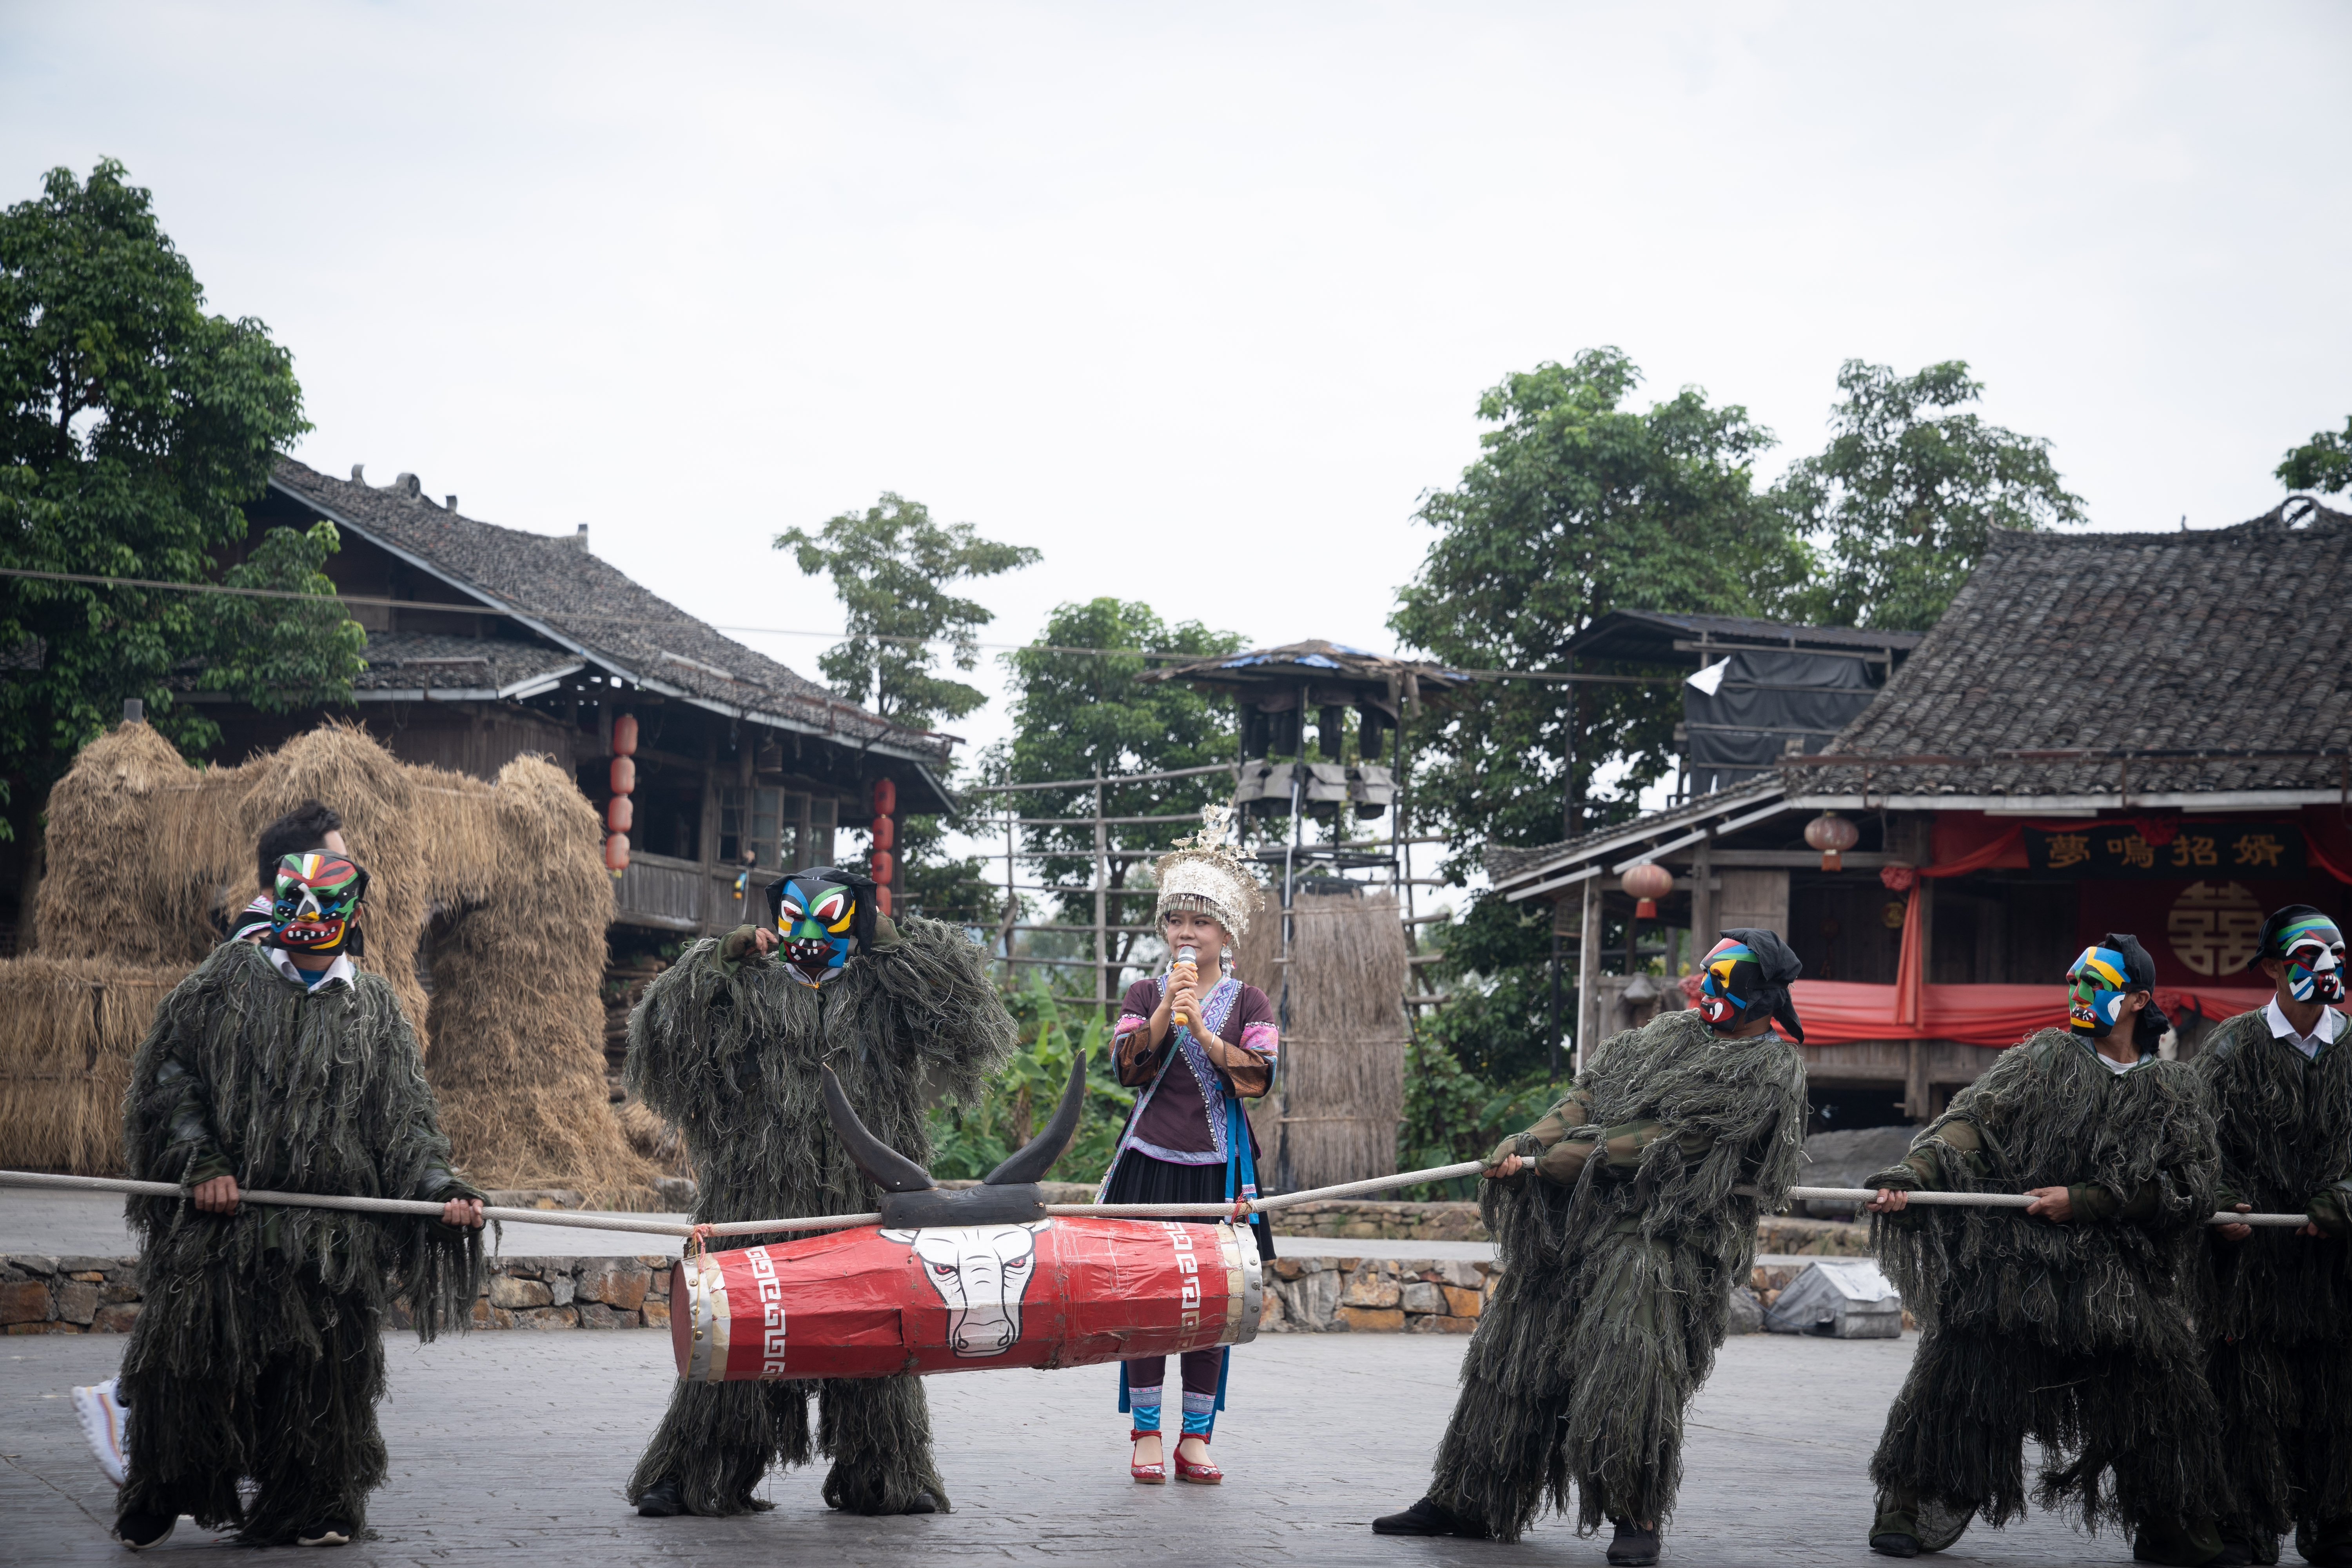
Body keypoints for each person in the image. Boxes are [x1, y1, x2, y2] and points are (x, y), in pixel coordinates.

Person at [1373, 928, 1810, 1566]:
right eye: (1706, 973)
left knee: (1630, 1369)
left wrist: (1558, 1159)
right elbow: (1590, 1095)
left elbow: (1672, 1138)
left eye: (1722, 977)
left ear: (1758, 992)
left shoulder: (1770, 1070)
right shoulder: (1665, 1035)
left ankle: (1636, 1515)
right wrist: (1529, 1140)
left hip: (1664, 1238)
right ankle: (1468, 1498)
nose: (1704, 987)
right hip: (1578, 1226)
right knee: (1512, 1357)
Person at [112, 838, 486, 1550]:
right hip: (227, 1222)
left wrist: (441, 1188)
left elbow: (405, 1122)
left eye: (325, 904)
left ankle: (314, 1503)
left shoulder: (376, 1010)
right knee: (185, 1354)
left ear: (352, 914)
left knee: (324, 1378)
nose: (309, 915)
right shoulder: (224, 984)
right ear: (278, 902)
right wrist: (202, 1162)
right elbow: (169, 1076)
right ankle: (162, 1485)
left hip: (331, 1238)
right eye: (297, 900)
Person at [624, 863, 1017, 1519]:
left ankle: (884, 1473)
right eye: (795, 917)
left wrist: (893, 946)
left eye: (830, 917)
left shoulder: (884, 990)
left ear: (856, 918)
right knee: (737, 1329)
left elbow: (971, 1023)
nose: (809, 933)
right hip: (755, 1195)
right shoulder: (745, 987)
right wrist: (720, 957)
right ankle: (695, 1471)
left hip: (865, 1198)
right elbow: (658, 1039)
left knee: (878, 1329)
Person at [1862, 934, 2228, 1565]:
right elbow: (1972, 1124)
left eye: (2095, 984)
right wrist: (1913, 1176)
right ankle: (1910, 1507)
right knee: (1957, 1383)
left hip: (2120, 1279)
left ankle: (2173, 1523)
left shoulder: (2175, 1087)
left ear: (2138, 999)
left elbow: (2191, 1186)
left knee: (2166, 1398)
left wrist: (2088, 1200)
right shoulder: (2041, 1058)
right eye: (2075, 981)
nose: (2079, 994)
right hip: (2016, 1267)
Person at [73, 802, 361, 1491]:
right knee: (205, 1331)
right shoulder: (247, 957)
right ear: (292, 873)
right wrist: (204, 1158)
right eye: (335, 858)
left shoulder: (321, 949)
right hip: (234, 1186)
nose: (346, 873)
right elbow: (173, 1071)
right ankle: (131, 1413)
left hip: (285, 1193)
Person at [1100, 807, 1277, 1485]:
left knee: (1214, 1307)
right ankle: (1147, 1434)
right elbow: (1126, 1068)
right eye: (1176, 920)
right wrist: (1160, 1015)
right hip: (1148, 1168)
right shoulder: (1146, 989)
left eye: (1200, 921)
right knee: (1144, 1306)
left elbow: (1258, 1078)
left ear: (1224, 932)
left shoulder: (1250, 1002)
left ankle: (1196, 1438)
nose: (1185, 932)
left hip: (1220, 1176)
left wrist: (1202, 1029)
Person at [2198, 905, 2352, 1566]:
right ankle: (2246, 1524)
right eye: (2309, 954)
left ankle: (2337, 1521)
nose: (2327, 967)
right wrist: (2222, 1201)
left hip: (2338, 1264)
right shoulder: (2231, 1047)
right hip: (2254, 1260)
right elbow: (2199, 1143)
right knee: (2249, 1394)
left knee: (2337, 1394)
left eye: (2338, 954)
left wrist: (2345, 1193)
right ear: (2271, 968)